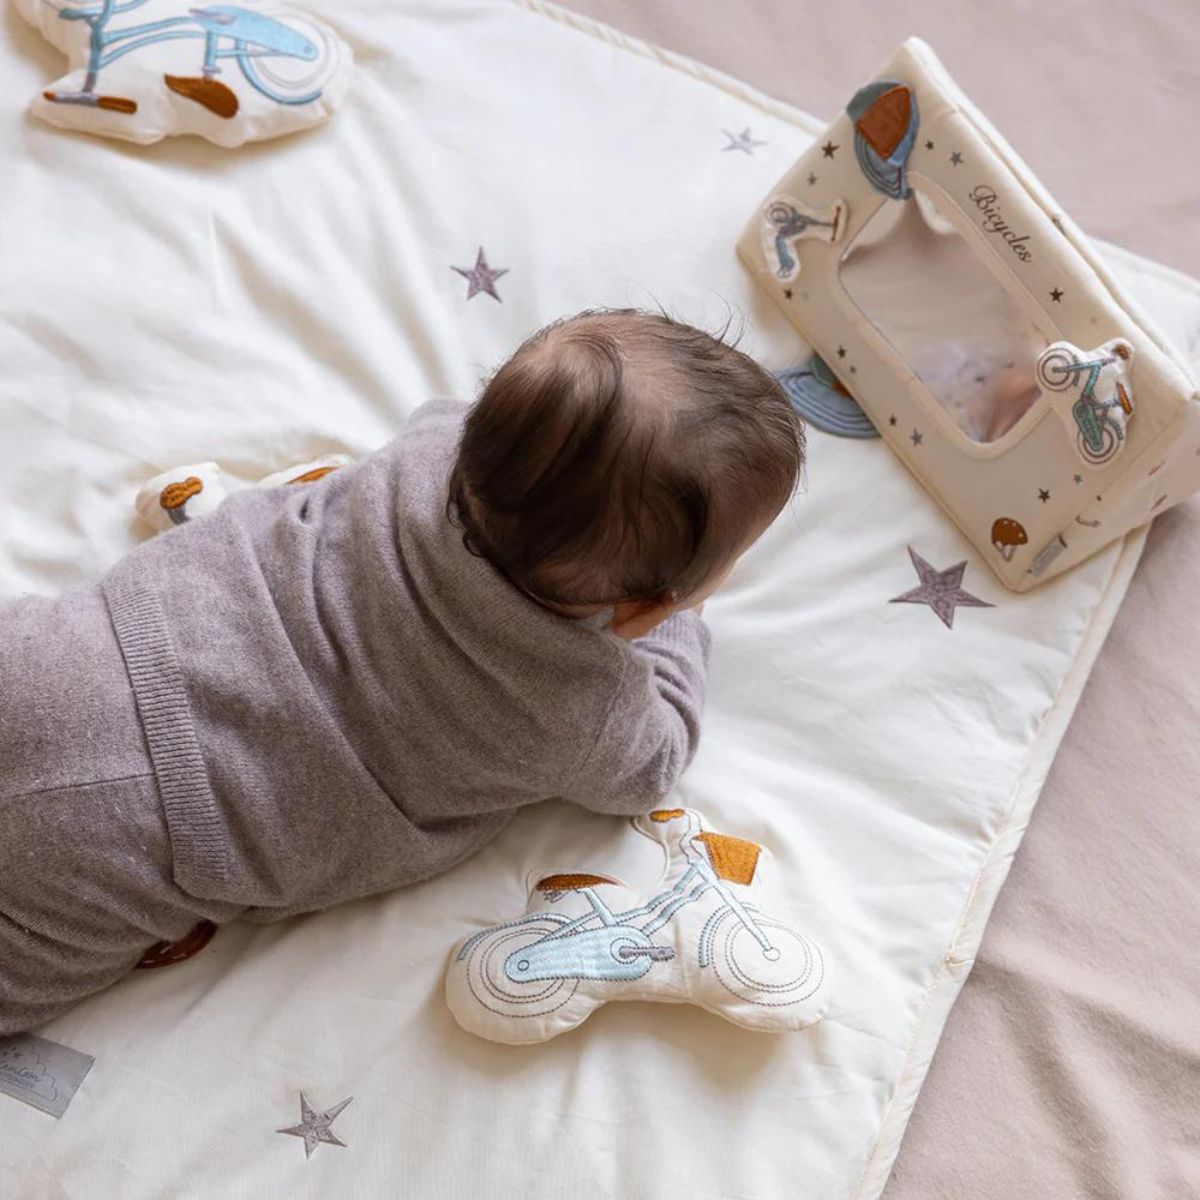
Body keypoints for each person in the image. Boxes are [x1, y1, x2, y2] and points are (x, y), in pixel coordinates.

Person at [0, 307, 806, 1034]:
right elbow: (653, 764)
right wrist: (677, 628)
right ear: (641, 608)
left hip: (69, 658)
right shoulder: (584, 701)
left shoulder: (431, 447)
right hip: (149, 838)